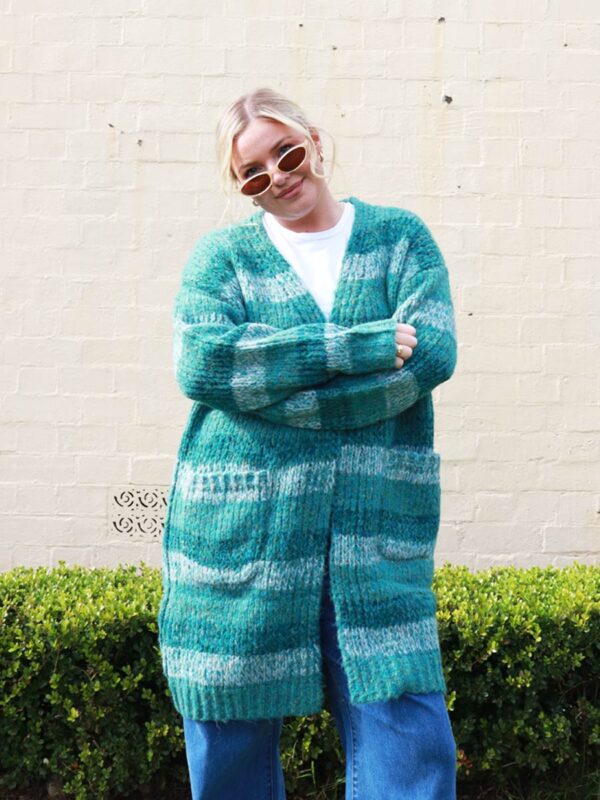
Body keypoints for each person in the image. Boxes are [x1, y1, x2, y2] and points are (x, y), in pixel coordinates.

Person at [157, 86, 459, 800]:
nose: (278, 176)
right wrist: (353, 348)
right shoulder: (221, 259)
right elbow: (203, 365)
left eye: (285, 153)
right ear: (243, 189)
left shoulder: (399, 239)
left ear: (313, 140)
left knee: (409, 743)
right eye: (253, 175)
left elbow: (431, 356)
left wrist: (270, 390)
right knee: (228, 740)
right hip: (241, 537)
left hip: (371, 534)